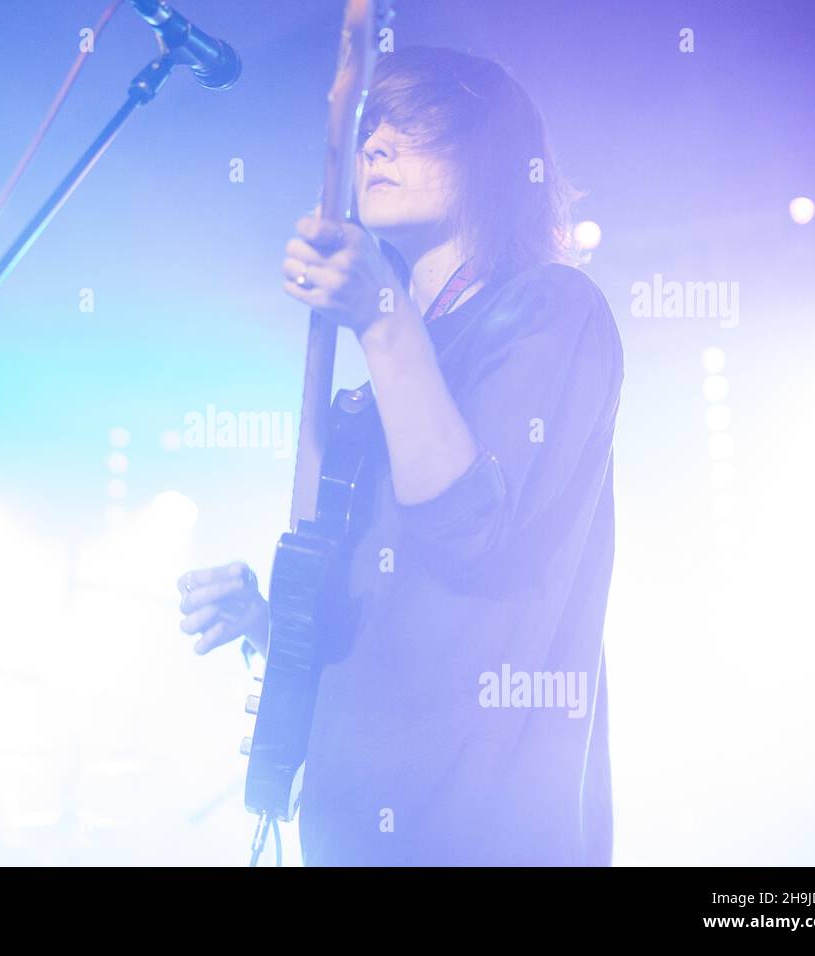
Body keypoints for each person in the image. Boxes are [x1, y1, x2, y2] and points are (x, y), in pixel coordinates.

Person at [178, 46, 624, 866]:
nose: (376, 143)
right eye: (372, 123)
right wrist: (275, 625)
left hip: (483, 832)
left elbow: (468, 531)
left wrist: (381, 317)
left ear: (492, 153)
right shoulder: (374, 386)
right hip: (347, 830)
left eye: (413, 124)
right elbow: (389, 630)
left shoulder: (553, 310)